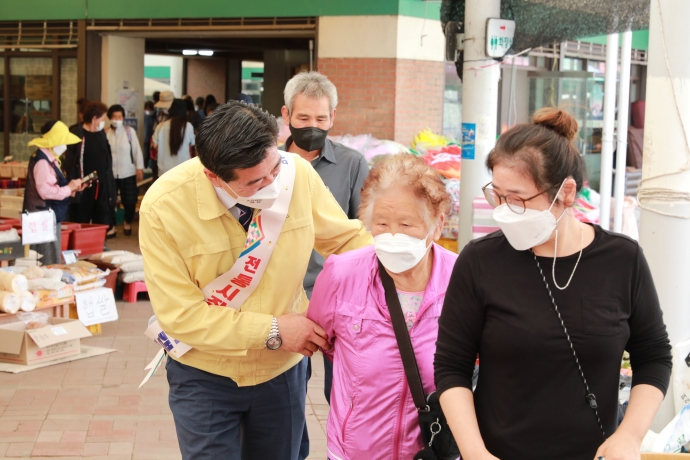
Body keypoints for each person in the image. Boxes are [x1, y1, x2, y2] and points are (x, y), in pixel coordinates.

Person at [435, 108, 672, 460]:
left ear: (566, 192)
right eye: (496, 195)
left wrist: (630, 437)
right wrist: (474, 452)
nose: (502, 209)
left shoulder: (623, 259)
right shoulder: (480, 260)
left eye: (516, 199)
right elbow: (451, 366)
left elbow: (653, 356)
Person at [139, 100, 372, 460]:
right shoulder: (164, 206)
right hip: (204, 372)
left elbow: (346, 241)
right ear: (213, 176)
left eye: (274, 168)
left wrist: (401, 263)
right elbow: (180, 316)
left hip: (282, 372)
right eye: (255, 182)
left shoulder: (297, 175)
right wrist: (274, 330)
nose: (273, 185)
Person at [307, 153, 455, 460]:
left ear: (436, 226)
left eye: (406, 224)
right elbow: (326, 341)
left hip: (433, 451)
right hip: (355, 451)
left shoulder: (464, 280)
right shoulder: (341, 273)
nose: (392, 235)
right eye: (382, 223)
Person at [280, 71, 369, 406]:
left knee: (342, 393)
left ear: (333, 116)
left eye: (321, 117)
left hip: (337, 298)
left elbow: (364, 228)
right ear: (286, 115)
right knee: (287, 395)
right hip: (284, 298)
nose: (312, 125)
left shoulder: (351, 163)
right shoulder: (268, 164)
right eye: (303, 117)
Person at [24, 121, 86, 264]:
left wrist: (72, 189)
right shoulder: (42, 161)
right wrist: (69, 188)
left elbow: (53, 186)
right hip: (42, 217)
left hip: (47, 215)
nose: (64, 146)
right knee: (46, 261)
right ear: (54, 141)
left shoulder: (49, 158)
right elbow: (45, 191)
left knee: (49, 257)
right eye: (62, 141)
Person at [64, 101, 116, 233]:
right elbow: (70, 161)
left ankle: (99, 245)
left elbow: (106, 157)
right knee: (81, 219)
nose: (104, 122)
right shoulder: (77, 133)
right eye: (102, 119)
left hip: (101, 184)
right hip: (83, 186)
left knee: (102, 219)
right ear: (94, 119)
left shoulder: (100, 133)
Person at [106, 104, 144, 237]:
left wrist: (139, 168)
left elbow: (137, 151)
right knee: (110, 201)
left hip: (127, 172)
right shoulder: (106, 133)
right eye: (114, 116)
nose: (117, 119)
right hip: (110, 173)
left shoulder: (129, 132)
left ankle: (127, 222)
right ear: (110, 118)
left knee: (129, 200)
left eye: (120, 116)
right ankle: (112, 227)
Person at [151, 99, 195, 176]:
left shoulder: (160, 126)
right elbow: (192, 145)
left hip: (164, 171)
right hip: (183, 171)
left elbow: (154, 146)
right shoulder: (188, 127)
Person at [143, 100, 155, 169]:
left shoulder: (155, 117)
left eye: (149, 109)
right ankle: (145, 167)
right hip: (145, 139)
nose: (148, 111)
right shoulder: (144, 116)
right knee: (145, 154)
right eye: (146, 109)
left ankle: (148, 167)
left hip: (151, 139)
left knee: (150, 154)